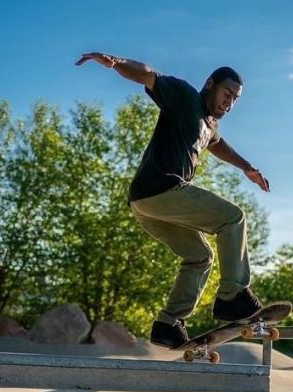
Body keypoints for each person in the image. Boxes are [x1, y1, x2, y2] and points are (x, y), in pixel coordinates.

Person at [76, 52, 271, 349]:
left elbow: (217, 145)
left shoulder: (209, 125)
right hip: (163, 189)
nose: (229, 103)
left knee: (200, 257)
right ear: (210, 84)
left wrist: (246, 167)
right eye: (226, 93)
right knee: (233, 218)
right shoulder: (184, 96)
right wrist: (116, 63)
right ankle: (233, 295)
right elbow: (149, 75)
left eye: (235, 99)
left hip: (145, 205)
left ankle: (168, 323)